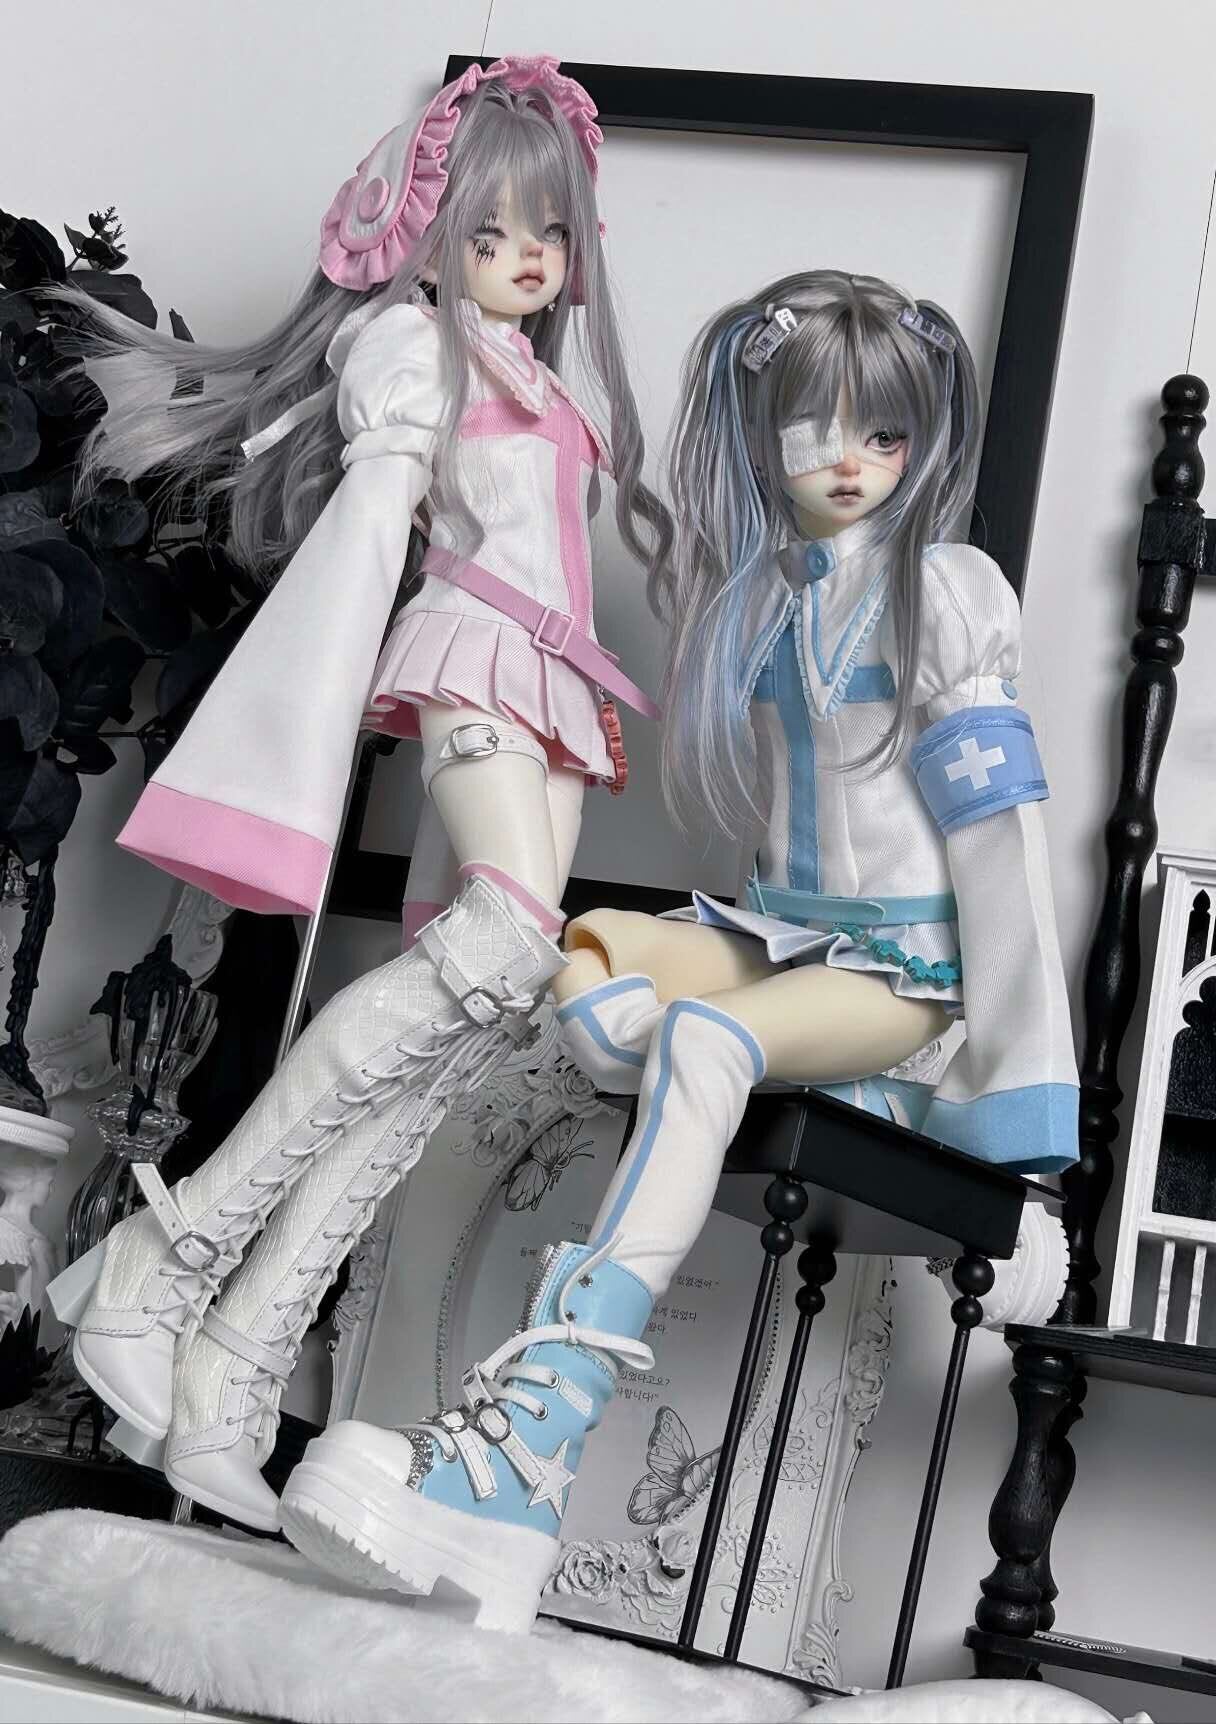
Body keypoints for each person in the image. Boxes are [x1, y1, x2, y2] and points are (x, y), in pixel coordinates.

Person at [276, 270, 1079, 1634]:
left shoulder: (946, 595)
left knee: (704, 1041)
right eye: (816, 428)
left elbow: (1003, 851)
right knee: (589, 956)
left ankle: (534, 1446)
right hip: (788, 942)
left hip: (904, 982)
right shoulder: (763, 603)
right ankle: (757, 1089)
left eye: (884, 434)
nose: (851, 461)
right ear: (761, 433)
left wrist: (1016, 1122)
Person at [48, 55, 670, 1533]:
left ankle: (235, 1370)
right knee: (502, 944)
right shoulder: (411, 348)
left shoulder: (545, 377)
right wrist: (300, 719)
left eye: (549, 231)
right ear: (428, 238)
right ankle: (167, 1256)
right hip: (472, 668)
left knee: (482, 1010)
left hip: (556, 692)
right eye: (490, 231)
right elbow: (378, 515)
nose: (526, 257)